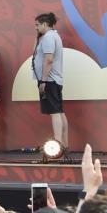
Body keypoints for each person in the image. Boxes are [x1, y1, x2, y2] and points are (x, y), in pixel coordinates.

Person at [33, 12, 69, 149]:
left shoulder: (48, 38)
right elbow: (36, 54)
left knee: (55, 113)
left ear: (44, 24)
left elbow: (49, 59)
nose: (36, 28)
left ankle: (58, 144)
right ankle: (64, 144)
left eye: (37, 25)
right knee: (59, 111)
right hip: (54, 80)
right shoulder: (52, 36)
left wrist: (43, 81)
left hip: (49, 80)